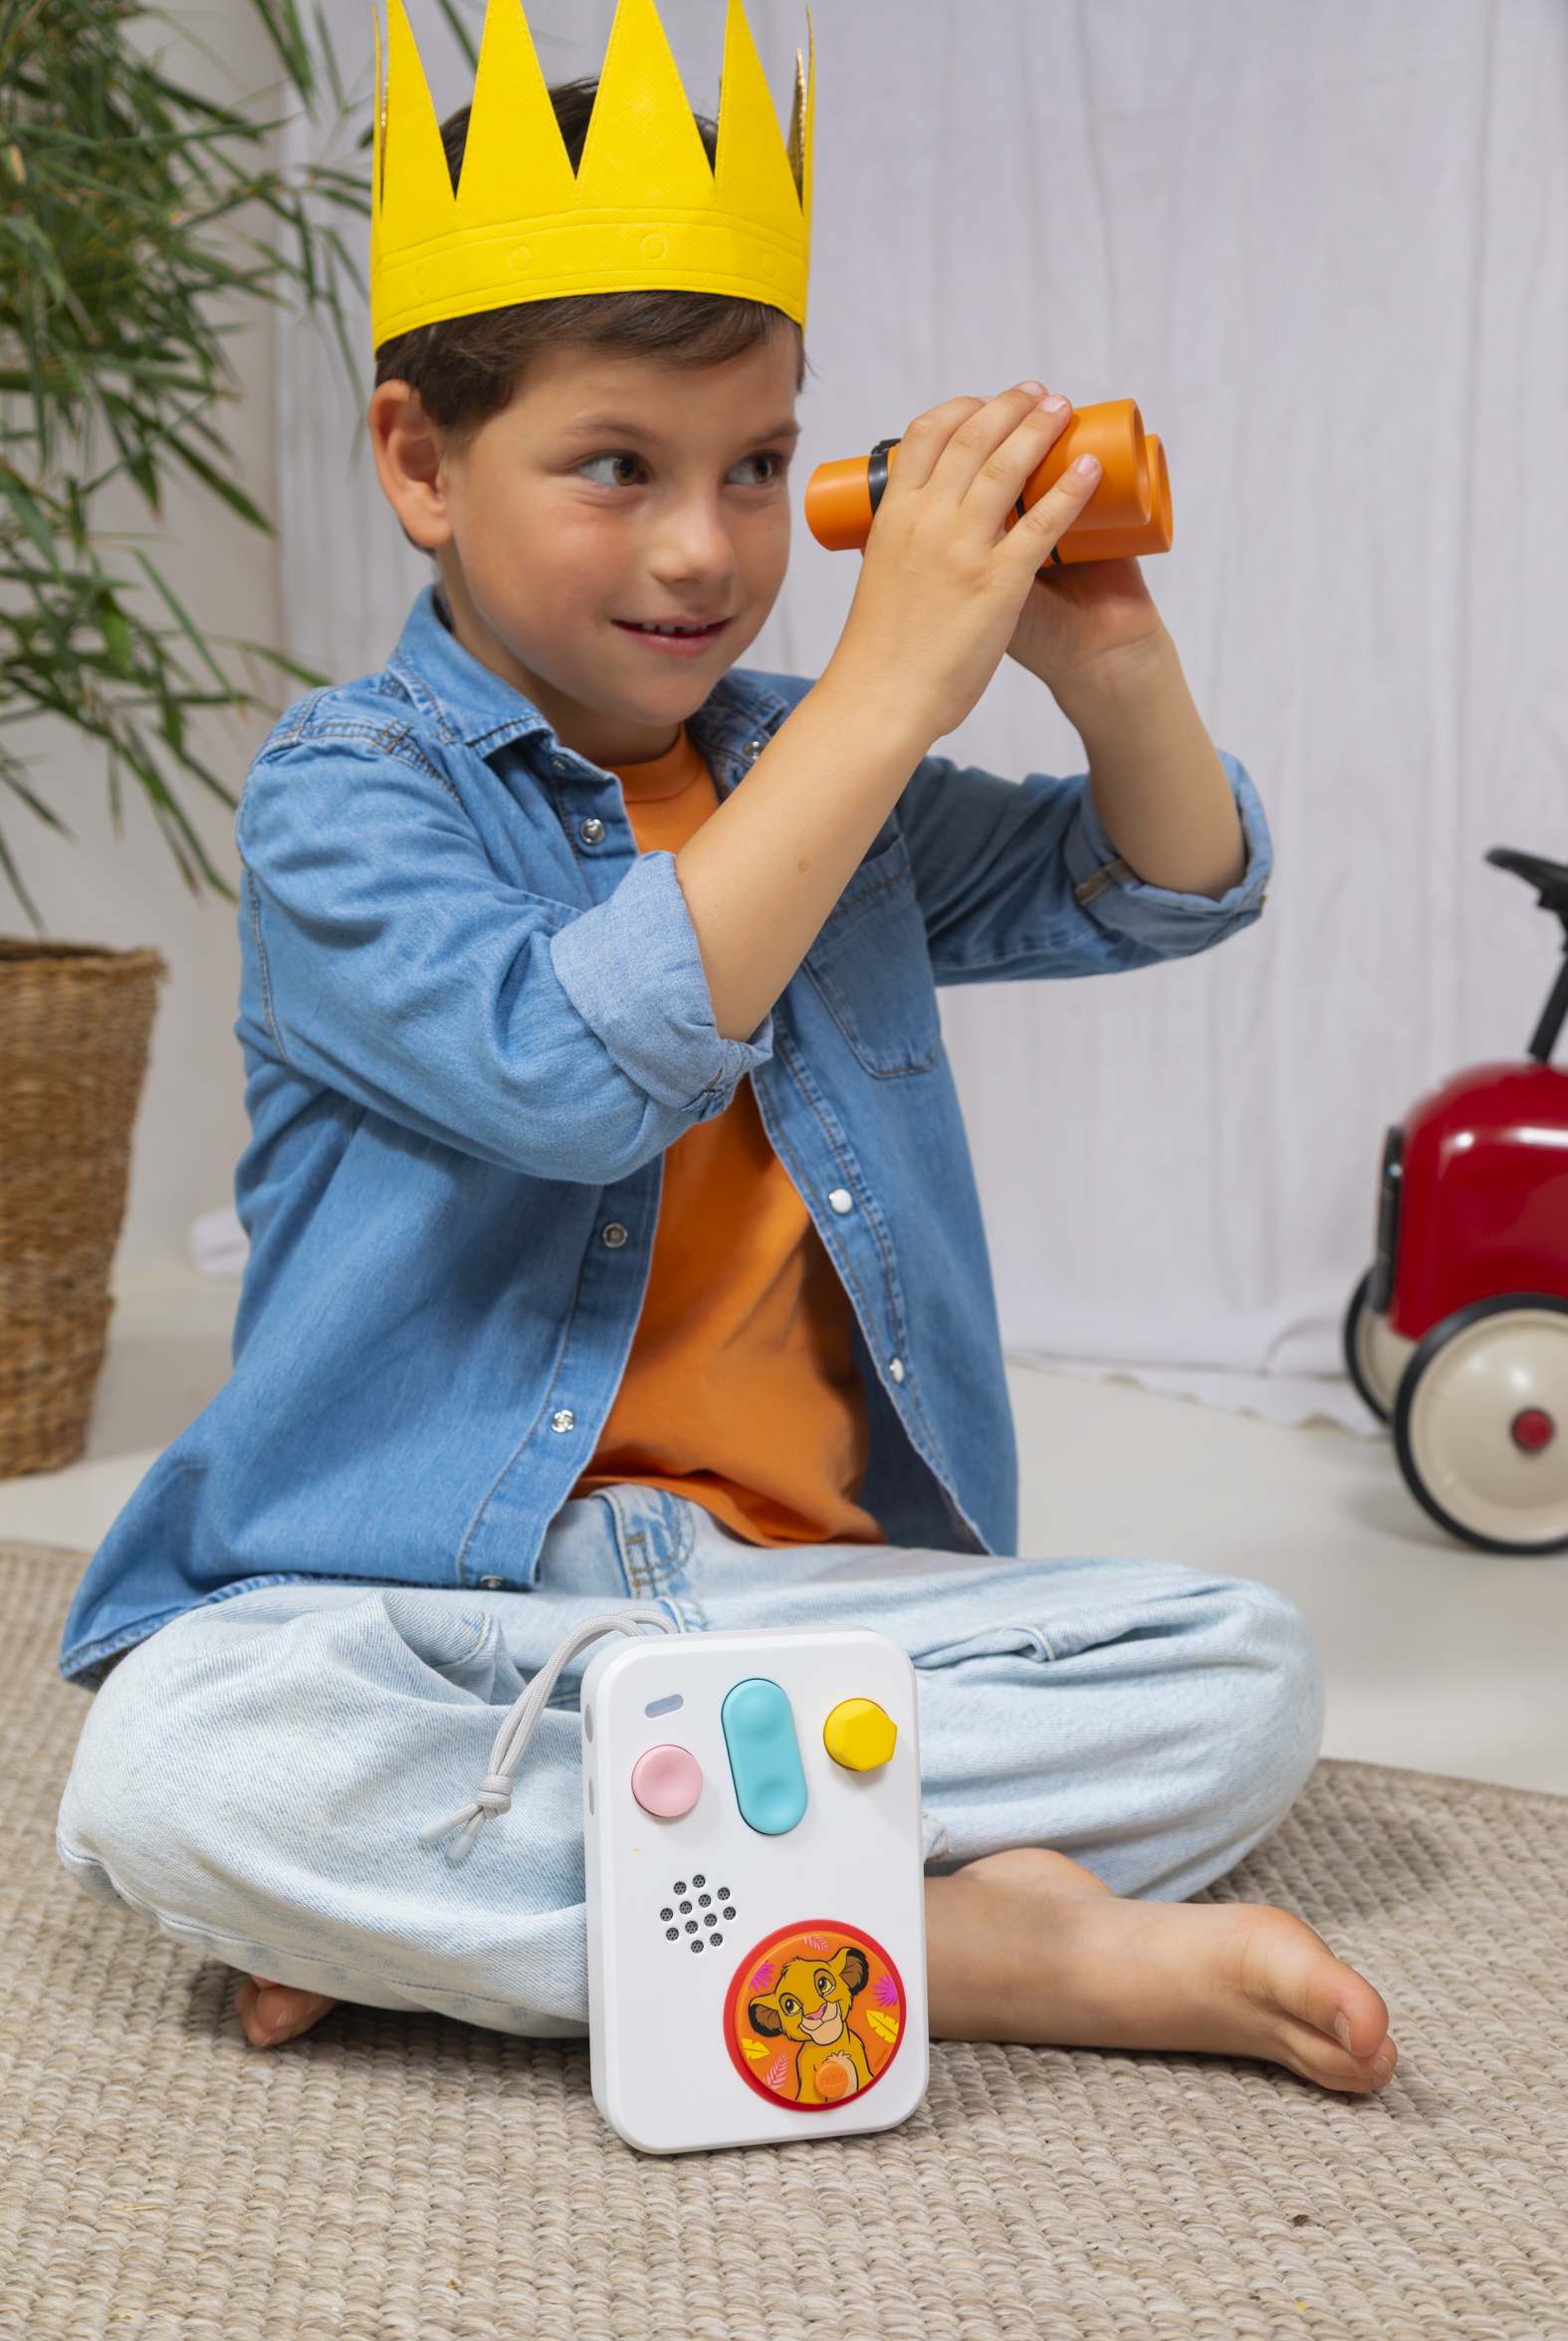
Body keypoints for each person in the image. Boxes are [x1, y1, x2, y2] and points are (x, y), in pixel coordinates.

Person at [55, 0, 1395, 2099]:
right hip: (432, 1601)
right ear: (419, 460)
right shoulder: (349, 795)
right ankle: (963, 1932)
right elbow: (577, 1069)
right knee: (183, 1759)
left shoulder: (794, 768)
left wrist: (1102, 648)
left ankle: (489, 1913)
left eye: (758, 467)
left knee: (1233, 1672)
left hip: (791, 1609)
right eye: (616, 468)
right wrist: (886, 690)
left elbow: (1163, 881)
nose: (705, 549)